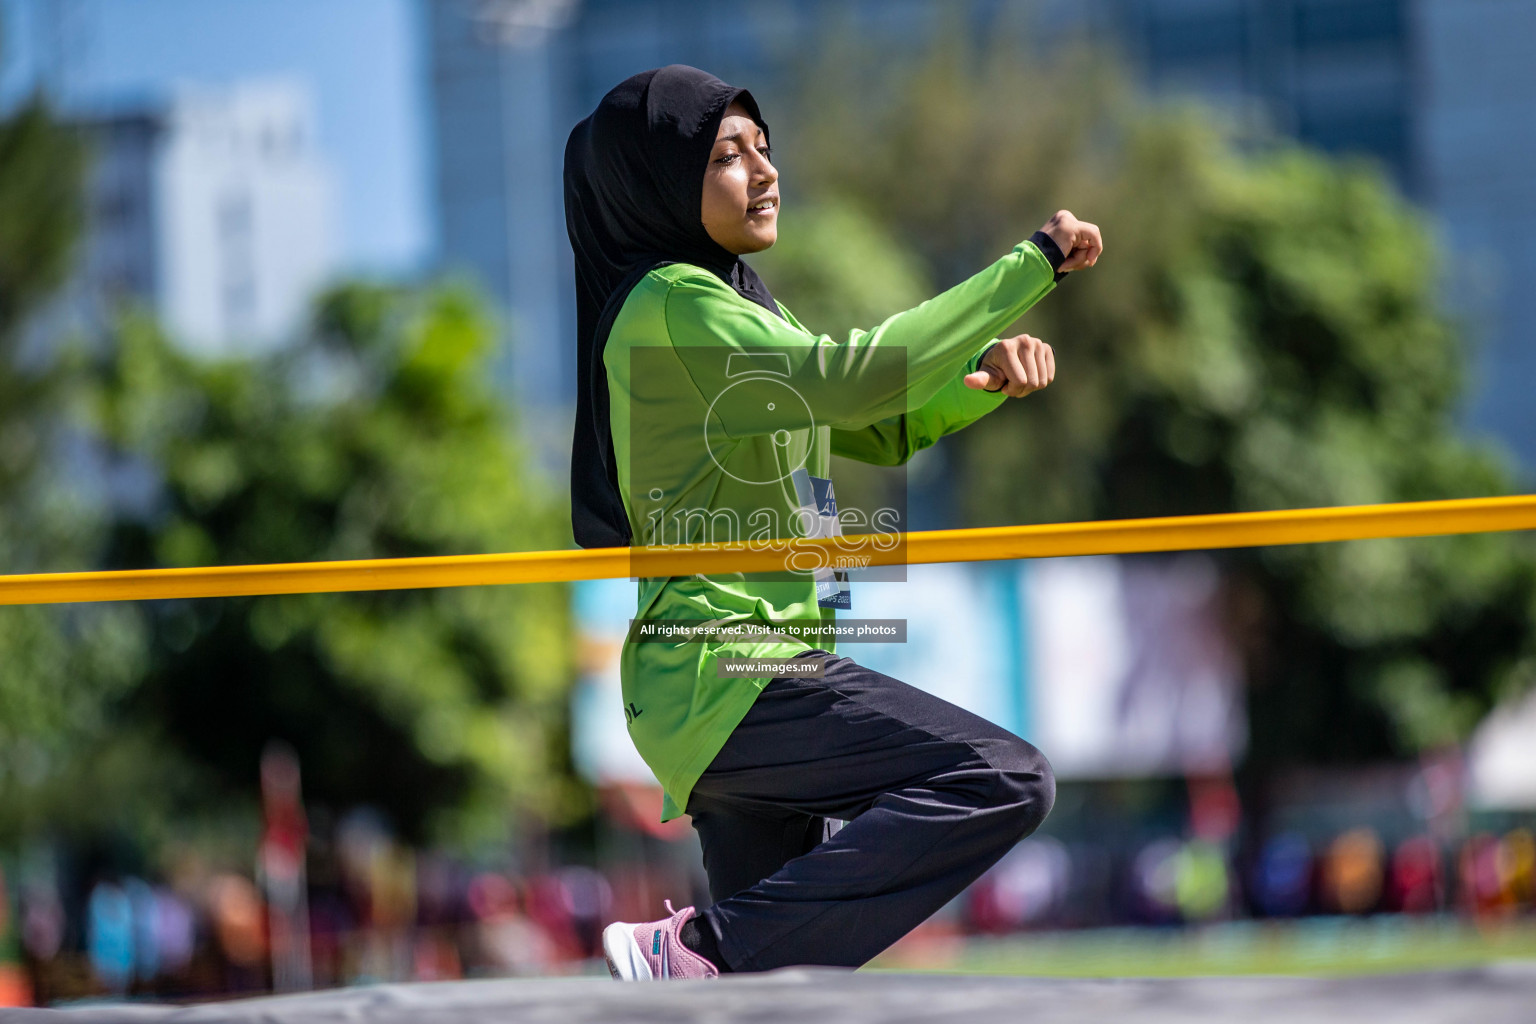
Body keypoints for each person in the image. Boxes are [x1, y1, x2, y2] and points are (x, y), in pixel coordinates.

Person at [564, 65, 1102, 979]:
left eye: (765, 149)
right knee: (1000, 777)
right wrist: (1030, 266)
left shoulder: (732, 304)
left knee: (775, 992)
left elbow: (877, 425)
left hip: (730, 678)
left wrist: (982, 382)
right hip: (732, 668)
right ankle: (696, 947)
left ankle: (708, 960)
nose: (764, 171)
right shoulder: (672, 302)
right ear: (656, 179)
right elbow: (861, 377)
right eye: (728, 155)